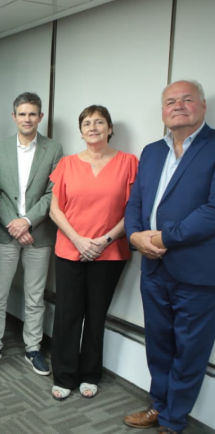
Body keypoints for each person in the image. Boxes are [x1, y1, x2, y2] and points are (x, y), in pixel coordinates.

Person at [123, 80, 215, 434]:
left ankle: (174, 421)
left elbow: (212, 211)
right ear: (163, 111)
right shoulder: (151, 151)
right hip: (152, 267)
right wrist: (134, 235)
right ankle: (159, 406)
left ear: (203, 106)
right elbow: (135, 202)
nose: (178, 106)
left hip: (197, 271)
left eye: (187, 99)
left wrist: (163, 237)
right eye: (170, 101)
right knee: (159, 344)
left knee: (190, 349)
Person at [49, 105, 138, 400]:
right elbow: (55, 209)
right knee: (67, 314)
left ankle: (90, 374)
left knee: (96, 314)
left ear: (110, 129)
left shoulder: (129, 163)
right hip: (70, 249)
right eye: (87, 123)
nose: (93, 127)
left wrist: (104, 240)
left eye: (99, 122)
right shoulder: (67, 164)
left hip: (110, 251)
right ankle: (64, 376)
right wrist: (78, 240)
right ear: (81, 131)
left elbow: (133, 209)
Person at [0, 92, 63, 375]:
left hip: (39, 233)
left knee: (35, 296)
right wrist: (14, 224)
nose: (27, 119)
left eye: (32, 114)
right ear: (14, 117)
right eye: (22, 114)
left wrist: (27, 222)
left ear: (40, 117)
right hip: (5, 233)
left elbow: (53, 193)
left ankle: (33, 348)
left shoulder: (54, 149)